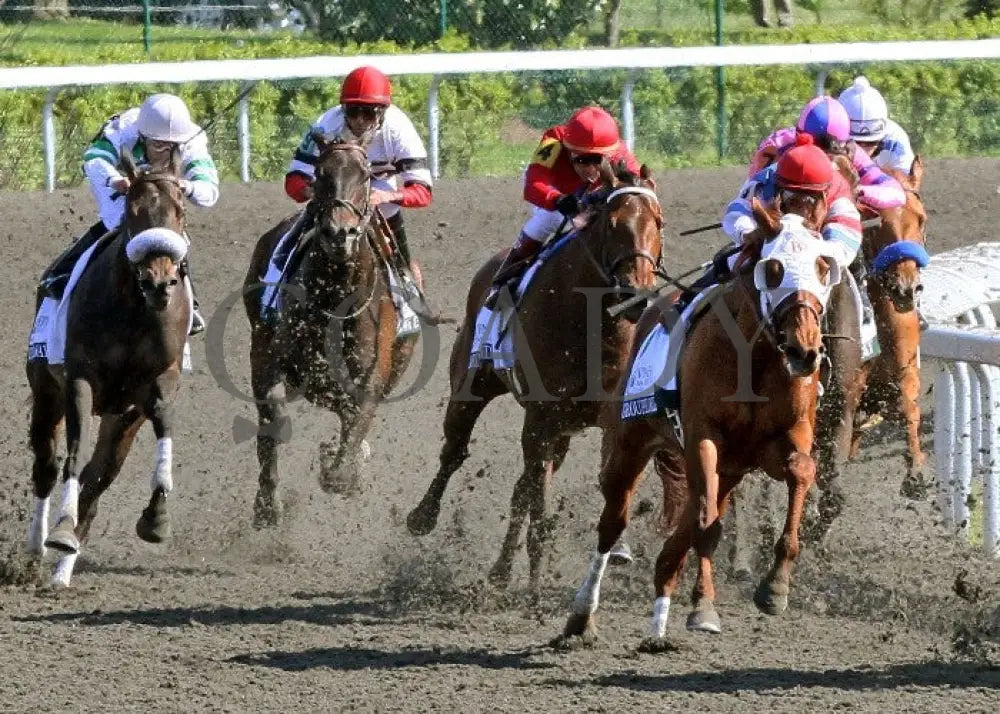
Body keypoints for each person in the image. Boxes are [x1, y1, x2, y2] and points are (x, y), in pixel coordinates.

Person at [40, 93, 218, 335]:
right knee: (117, 222)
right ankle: (63, 273)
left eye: (171, 147)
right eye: (157, 145)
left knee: (174, 235)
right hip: (122, 191)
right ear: (142, 136)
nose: (165, 152)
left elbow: (209, 191)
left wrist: (188, 186)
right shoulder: (122, 129)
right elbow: (94, 159)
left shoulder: (190, 138)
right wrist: (114, 179)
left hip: (163, 199)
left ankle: (191, 303)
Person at [267, 64, 432, 317]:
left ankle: (408, 294)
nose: (359, 121)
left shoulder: (399, 130)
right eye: (353, 111)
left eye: (368, 113)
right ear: (343, 109)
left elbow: (422, 191)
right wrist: (312, 192)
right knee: (287, 243)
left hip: (380, 193)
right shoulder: (324, 126)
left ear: (383, 112)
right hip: (333, 191)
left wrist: (387, 196)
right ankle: (272, 291)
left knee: (393, 234)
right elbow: (294, 179)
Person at [681, 133, 862, 304]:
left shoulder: (839, 193)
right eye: (791, 197)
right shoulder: (766, 180)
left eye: (810, 200)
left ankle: (867, 325)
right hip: (769, 249)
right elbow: (737, 210)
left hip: (819, 264)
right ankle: (681, 314)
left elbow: (845, 243)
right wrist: (747, 233)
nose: (800, 208)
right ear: (779, 187)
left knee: (849, 286)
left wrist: (809, 249)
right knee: (723, 264)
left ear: (824, 194)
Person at [486, 105, 641, 304]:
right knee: (546, 220)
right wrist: (557, 200)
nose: (591, 169)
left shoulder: (619, 152)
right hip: (558, 190)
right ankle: (502, 282)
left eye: (598, 160)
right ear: (568, 149)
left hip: (595, 195)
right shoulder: (553, 140)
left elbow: (639, 188)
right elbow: (533, 184)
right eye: (582, 160)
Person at [747, 95, 906, 214]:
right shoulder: (776, 147)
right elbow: (751, 196)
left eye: (830, 152)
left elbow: (897, 193)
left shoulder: (853, 152)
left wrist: (858, 191)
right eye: (816, 148)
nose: (821, 159)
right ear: (799, 138)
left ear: (843, 145)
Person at [837, 76, 917, 175]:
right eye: (856, 143)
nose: (862, 151)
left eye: (871, 142)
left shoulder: (896, 140)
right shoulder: (828, 138)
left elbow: (906, 185)